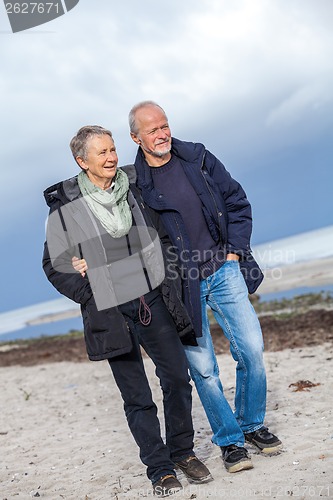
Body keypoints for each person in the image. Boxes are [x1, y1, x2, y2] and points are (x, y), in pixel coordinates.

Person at [42, 125, 212, 497]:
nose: (111, 157)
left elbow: (163, 235)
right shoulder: (66, 210)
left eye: (113, 149)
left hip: (152, 299)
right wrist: (89, 291)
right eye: (101, 153)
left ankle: (182, 452)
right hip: (109, 311)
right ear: (81, 161)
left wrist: (166, 273)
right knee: (137, 396)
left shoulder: (134, 189)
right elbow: (55, 265)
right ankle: (160, 468)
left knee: (177, 379)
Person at [127, 101, 282, 474]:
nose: (162, 134)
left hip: (224, 270)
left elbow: (236, 200)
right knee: (206, 370)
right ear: (136, 137)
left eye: (164, 125)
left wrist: (234, 250)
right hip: (182, 286)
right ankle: (230, 442)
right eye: (153, 130)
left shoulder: (197, 157)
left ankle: (252, 424)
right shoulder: (134, 183)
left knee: (252, 350)